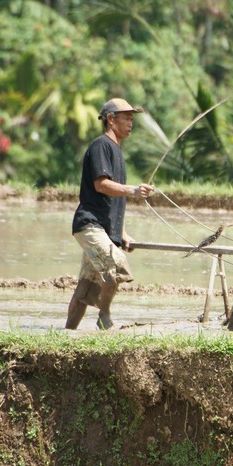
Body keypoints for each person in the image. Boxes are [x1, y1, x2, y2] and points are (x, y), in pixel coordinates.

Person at [65, 97, 155, 330]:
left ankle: (67, 333)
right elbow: (101, 185)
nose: (130, 122)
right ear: (111, 119)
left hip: (103, 229)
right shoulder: (101, 146)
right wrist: (134, 190)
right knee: (117, 265)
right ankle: (104, 317)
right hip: (89, 225)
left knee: (86, 287)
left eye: (132, 118)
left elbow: (114, 201)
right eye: (126, 117)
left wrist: (121, 233)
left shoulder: (117, 152)